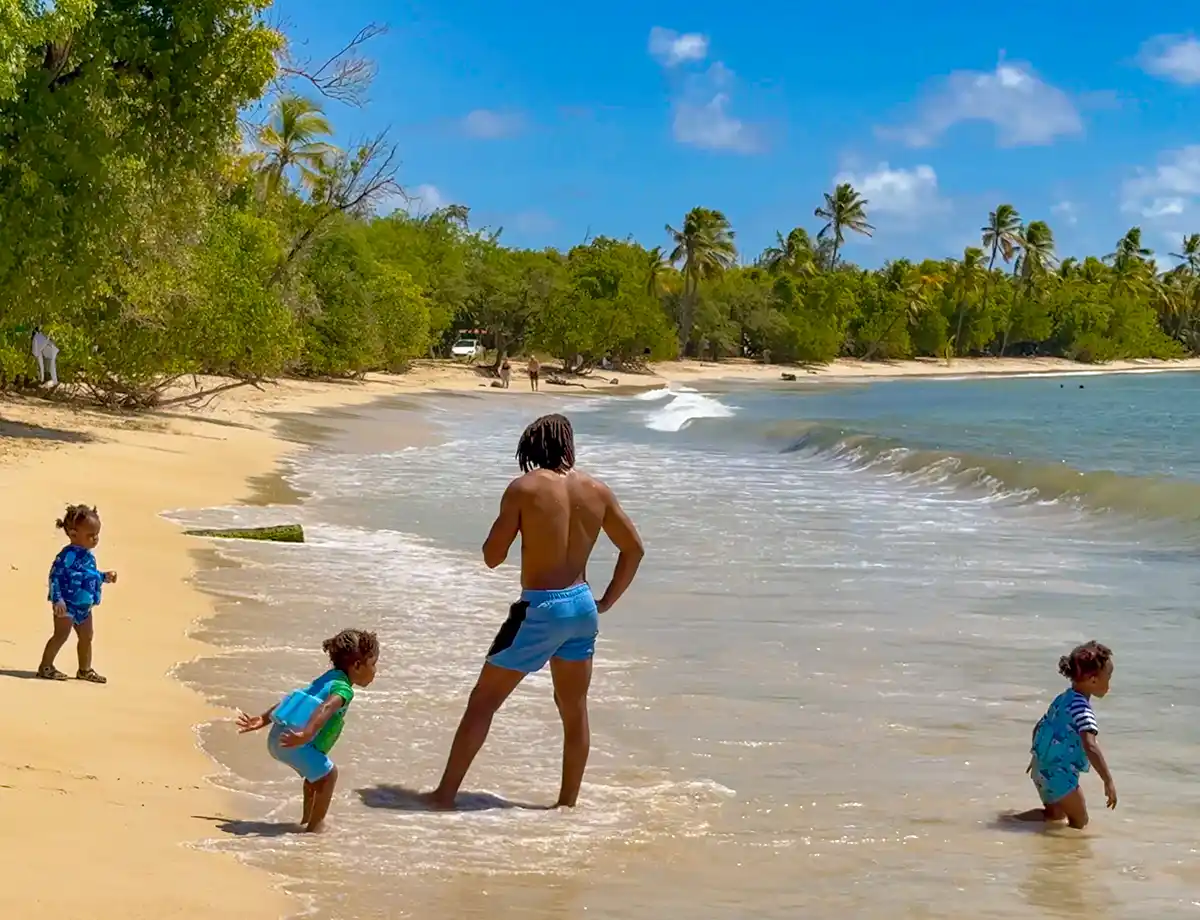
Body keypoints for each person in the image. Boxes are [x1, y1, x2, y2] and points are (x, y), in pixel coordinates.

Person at [425, 413, 644, 809]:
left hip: (541, 608)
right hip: (582, 606)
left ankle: (444, 795)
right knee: (574, 709)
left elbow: (493, 557)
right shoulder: (598, 490)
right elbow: (634, 549)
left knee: (483, 701)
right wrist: (607, 600)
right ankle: (566, 805)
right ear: (568, 446)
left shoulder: (524, 488)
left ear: (531, 447)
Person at [236, 629, 379, 833]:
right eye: (373, 664)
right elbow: (326, 708)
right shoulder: (343, 689)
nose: (375, 670)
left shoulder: (328, 678)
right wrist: (306, 734)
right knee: (329, 775)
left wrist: (264, 718)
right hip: (296, 741)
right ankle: (316, 828)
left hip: (281, 736)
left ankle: (306, 820)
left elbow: (297, 698)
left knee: (315, 778)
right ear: (357, 665)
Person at [1011, 641, 1116, 829]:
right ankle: (1067, 855)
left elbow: (1040, 726)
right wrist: (1107, 780)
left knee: (1054, 814)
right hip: (1060, 774)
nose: (1110, 684)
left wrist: (1036, 755)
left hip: (1041, 767)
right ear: (1093, 680)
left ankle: (1011, 822)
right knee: (1080, 820)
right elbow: (1090, 745)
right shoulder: (1083, 710)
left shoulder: (1063, 699)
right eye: (1108, 677)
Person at [39, 504, 117, 683]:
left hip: (84, 605)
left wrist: (104, 576)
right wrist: (57, 599)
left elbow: (89, 576)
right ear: (73, 534)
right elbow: (55, 576)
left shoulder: (88, 556)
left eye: (97, 534)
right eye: (91, 536)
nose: (95, 539)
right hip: (66, 604)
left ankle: (85, 669)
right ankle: (45, 666)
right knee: (61, 635)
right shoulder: (68, 555)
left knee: (87, 636)